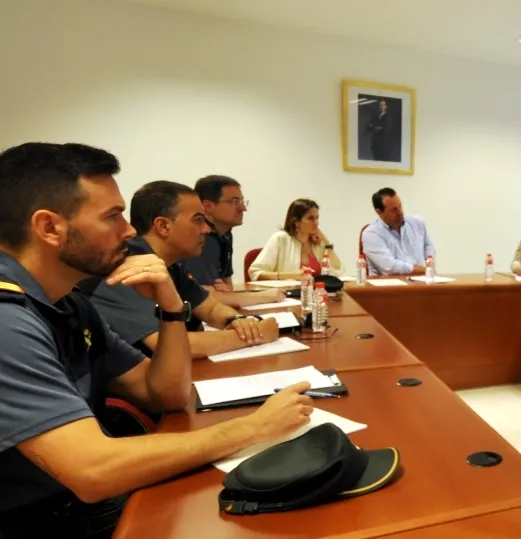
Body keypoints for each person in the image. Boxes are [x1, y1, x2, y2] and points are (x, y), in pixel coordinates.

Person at [0, 142, 313, 538]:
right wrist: (253, 428)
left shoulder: (70, 303)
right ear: (49, 228)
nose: (130, 230)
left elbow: (165, 393)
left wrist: (170, 306)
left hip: (77, 506)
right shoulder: (7, 320)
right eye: (113, 217)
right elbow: (92, 470)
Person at [82, 181, 280, 359]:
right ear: (163, 226)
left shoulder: (170, 264)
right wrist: (257, 335)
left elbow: (210, 308)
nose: (206, 229)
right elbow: (166, 346)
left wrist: (237, 320)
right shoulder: (127, 265)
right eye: (198, 220)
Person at [183, 175, 283, 308]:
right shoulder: (201, 237)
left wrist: (226, 293)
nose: (243, 208)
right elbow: (203, 295)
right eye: (234, 201)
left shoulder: (225, 233)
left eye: (242, 201)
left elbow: (227, 285)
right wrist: (266, 296)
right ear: (207, 206)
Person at [249, 198, 345, 281]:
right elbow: (256, 273)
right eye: (310, 218)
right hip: (285, 296)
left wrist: (326, 242)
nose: (316, 222)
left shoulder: (317, 243)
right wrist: (293, 275)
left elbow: (338, 270)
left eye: (317, 218)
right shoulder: (280, 239)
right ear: (296, 222)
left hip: (315, 295)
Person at [361, 187, 435, 276]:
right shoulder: (371, 234)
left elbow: (427, 245)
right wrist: (423, 270)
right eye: (394, 209)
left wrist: (429, 260)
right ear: (379, 212)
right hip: (388, 286)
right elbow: (390, 267)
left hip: (421, 282)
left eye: (400, 206)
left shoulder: (417, 223)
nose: (400, 212)